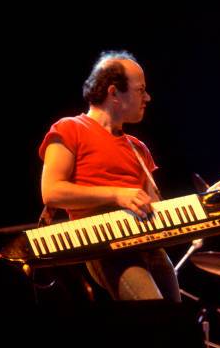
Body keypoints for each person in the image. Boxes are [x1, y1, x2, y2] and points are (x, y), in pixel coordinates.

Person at [38, 50, 180, 302]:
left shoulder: (138, 148)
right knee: (157, 317)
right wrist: (117, 194)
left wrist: (208, 205)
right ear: (113, 93)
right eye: (140, 90)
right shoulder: (70, 128)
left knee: (179, 323)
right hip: (107, 245)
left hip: (148, 244)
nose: (147, 97)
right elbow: (52, 191)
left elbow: (156, 207)